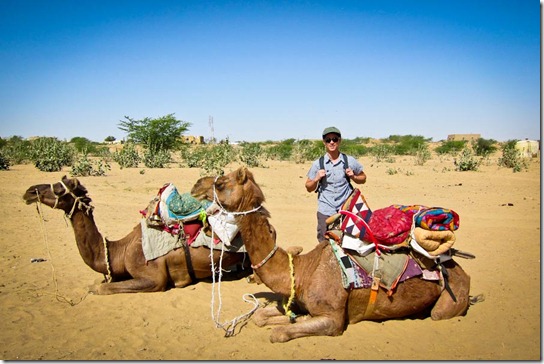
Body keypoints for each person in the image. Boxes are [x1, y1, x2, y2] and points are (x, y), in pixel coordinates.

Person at [305, 126, 367, 243]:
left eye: (335, 139)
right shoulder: (318, 164)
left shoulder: (349, 160)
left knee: (349, 241)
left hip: (346, 209)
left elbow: (363, 178)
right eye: (328, 140)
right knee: (324, 243)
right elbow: (308, 187)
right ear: (324, 142)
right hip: (325, 209)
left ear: (340, 141)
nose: (332, 142)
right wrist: (316, 179)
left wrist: (353, 176)